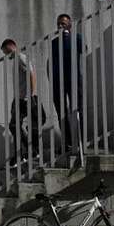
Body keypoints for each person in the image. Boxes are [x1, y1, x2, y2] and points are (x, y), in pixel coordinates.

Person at [0, 39, 41, 165]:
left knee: (16, 125)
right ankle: (26, 152)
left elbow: (32, 74)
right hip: (19, 98)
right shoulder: (17, 59)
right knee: (15, 126)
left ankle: (30, 151)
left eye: (5, 52)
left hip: (24, 98)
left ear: (10, 47)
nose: (6, 55)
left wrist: (31, 94)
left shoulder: (20, 57)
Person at [49, 14, 83, 153]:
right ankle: (67, 141)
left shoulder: (76, 38)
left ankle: (79, 140)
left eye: (63, 23)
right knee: (61, 112)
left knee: (78, 109)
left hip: (73, 78)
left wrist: (68, 36)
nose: (60, 26)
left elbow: (82, 50)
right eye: (58, 24)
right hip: (58, 81)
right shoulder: (54, 42)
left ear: (69, 25)